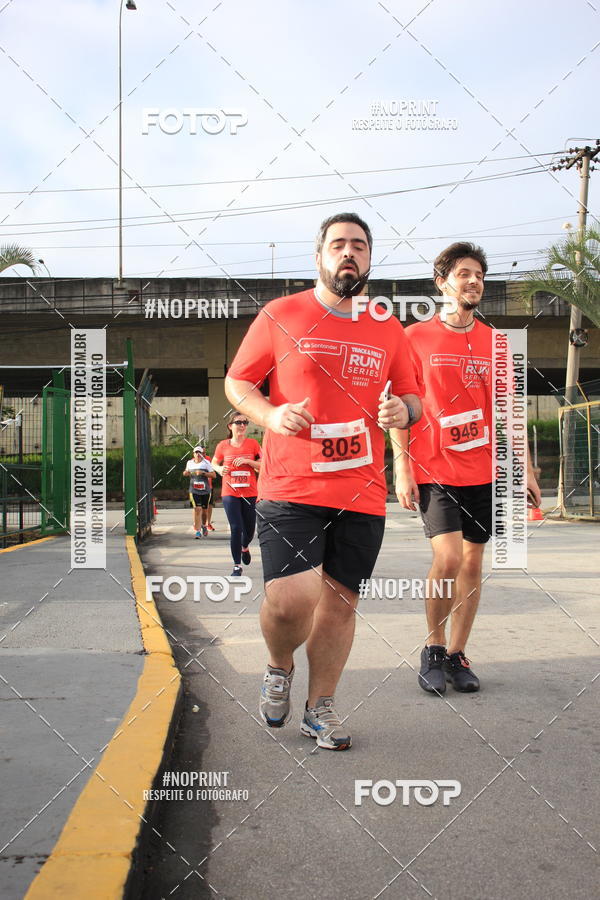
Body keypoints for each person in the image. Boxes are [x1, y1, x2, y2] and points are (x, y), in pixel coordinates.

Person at [224, 212, 422, 750]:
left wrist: (404, 412)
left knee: (339, 602)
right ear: (319, 256)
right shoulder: (281, 314)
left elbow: (412, 396)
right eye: (338, 244)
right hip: (290, 486)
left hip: (360, 491)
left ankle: (320, 708)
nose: (349, 253)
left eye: (359, 245)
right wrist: (269, 416)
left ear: (369, 257)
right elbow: (238, 381)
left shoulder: (386, 327)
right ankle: (278, 663)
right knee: (291, 599)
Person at [393, 242, 541, 695]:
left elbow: (509, 411)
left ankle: (458, 654)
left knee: (473, 563)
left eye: (479, 274)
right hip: (435, 468)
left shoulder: (496, 342)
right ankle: (433, 648)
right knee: (449, 558)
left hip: (485, 471)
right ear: (442, 283)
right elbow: (399, 405)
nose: (473, 281)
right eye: (463, 274)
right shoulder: (414, 337)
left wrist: (528, 471)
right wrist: (401, 468)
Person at [211, 415, 262, 576]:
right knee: (236, 528)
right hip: (230, 492)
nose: (242, 425)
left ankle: (244, 547)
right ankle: (237, 566)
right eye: (238, 422)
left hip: (250, 492)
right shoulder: (222, 446)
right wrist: (219, 470)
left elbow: (263, 466)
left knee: (249, 530)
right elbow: (214, 463)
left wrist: (248, 462)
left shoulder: (253, 444)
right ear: (230, 426)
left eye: (245, 422)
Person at [183, 445, 216, 538]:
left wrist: (203, 473)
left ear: (202, 454)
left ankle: (204, 526)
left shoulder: (206, 463)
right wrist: (186, 473)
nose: (198, 454)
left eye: (199, 452)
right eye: (196, 452)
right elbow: (186, 472)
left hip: (205, 490)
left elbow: (214, 475)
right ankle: (197, 530)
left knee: (204, 512)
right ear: (193, 454)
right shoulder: (189, 463)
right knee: (197, 509)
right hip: (194, 490)